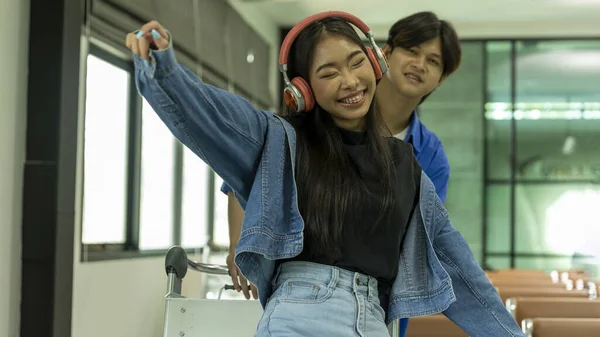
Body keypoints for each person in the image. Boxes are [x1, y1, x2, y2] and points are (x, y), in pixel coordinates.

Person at [125, 11, 524, 336]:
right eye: (329, 73)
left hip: (373, 321)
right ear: (303, 90)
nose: (349, 81)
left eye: (355, 64)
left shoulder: (411, 165)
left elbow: (459, 271)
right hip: (297, 314)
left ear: (374, 64)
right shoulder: (281, 141)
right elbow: (214, 116)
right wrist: (163, 68)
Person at [222, 11, 461, 337]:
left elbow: (423, 237)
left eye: (433, 62)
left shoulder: (429, 155)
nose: (420, 64)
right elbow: (252, 176)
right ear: (384, 54)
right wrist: (241, 241)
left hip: (377, 304)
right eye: (412, 51)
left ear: (441, 78)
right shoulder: (328, 111)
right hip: (298, 294)